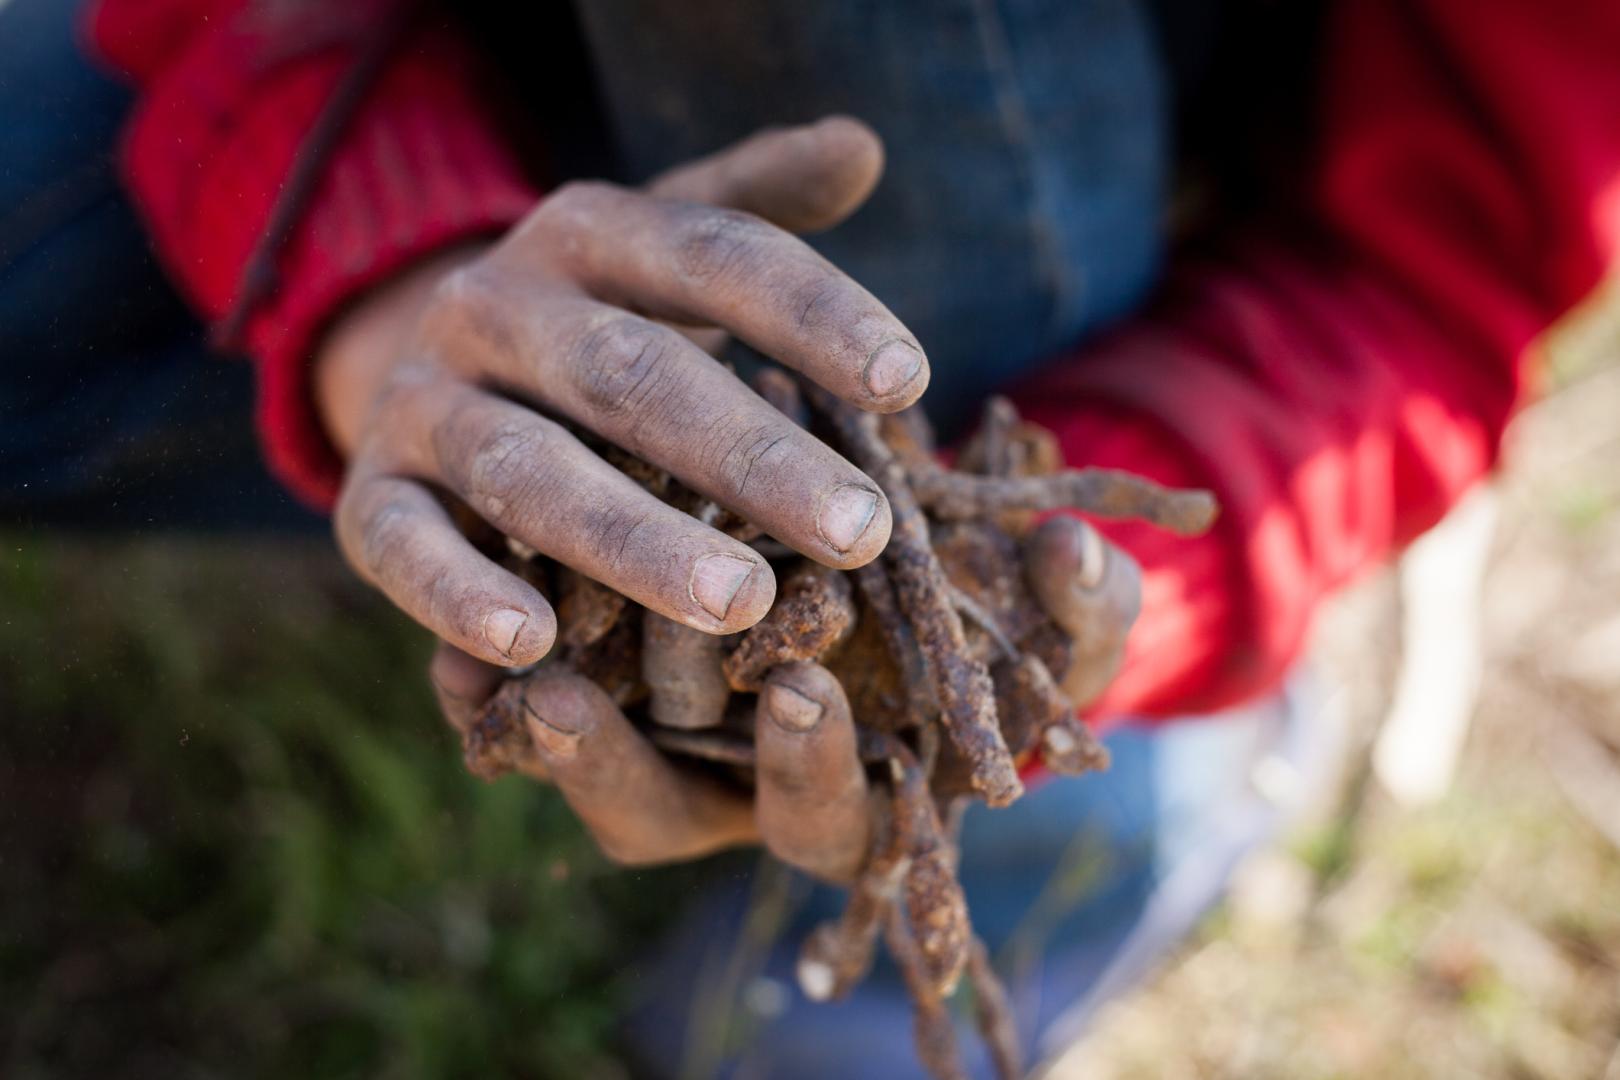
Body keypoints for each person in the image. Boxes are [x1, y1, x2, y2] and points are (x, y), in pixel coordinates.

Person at [6, 0, 1617, 1073]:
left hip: (1099, 200)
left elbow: (1430, 266)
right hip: (445, 69)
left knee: (899, 829)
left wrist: (1042, 579)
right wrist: (383, 288)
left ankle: (1061, 772)